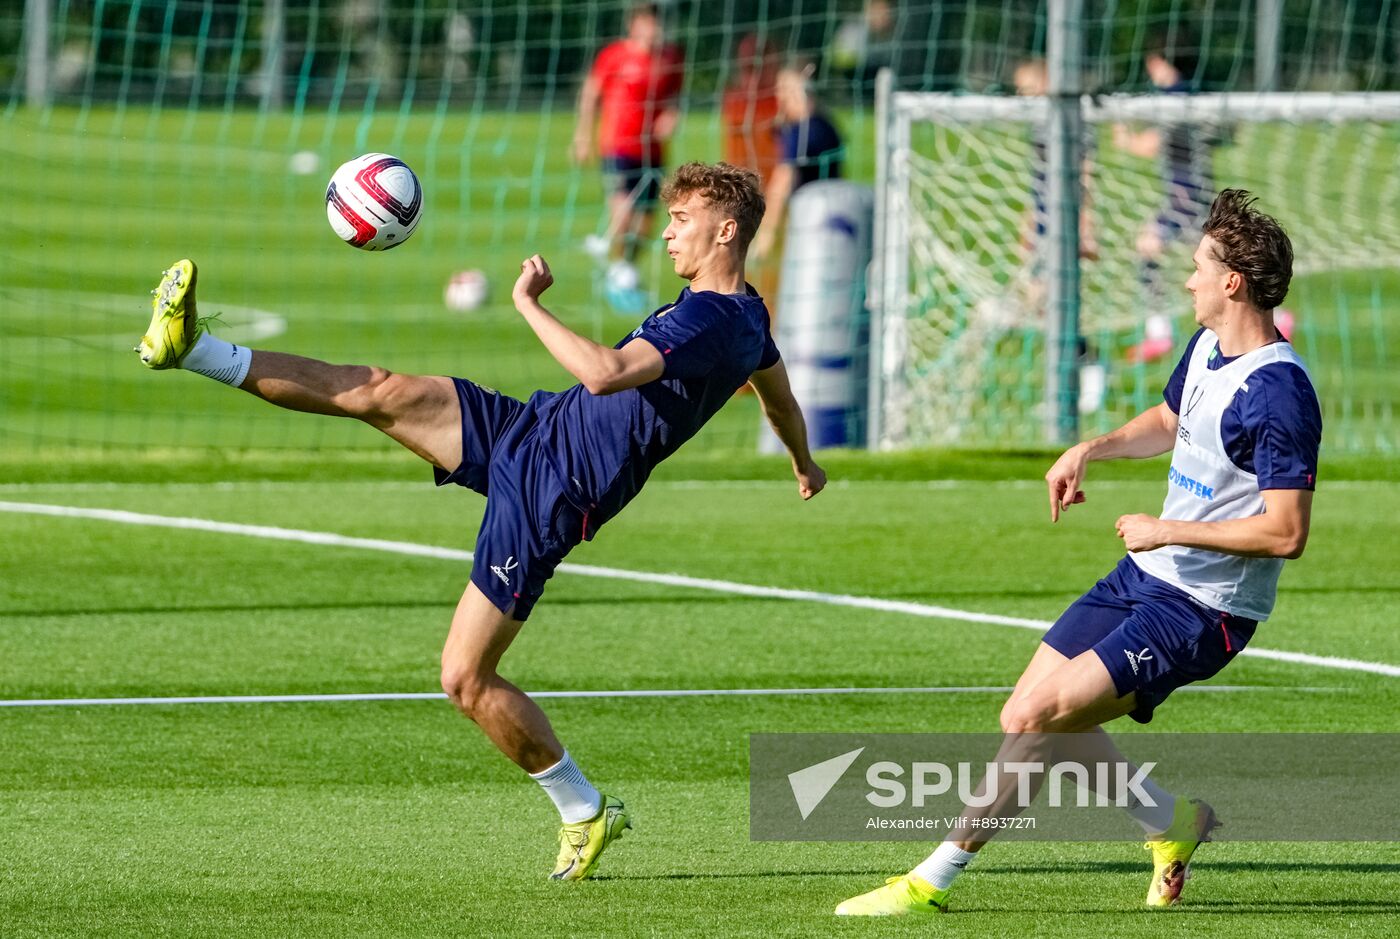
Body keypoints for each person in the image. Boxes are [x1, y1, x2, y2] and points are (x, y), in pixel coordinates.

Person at [134, 161, 827, 882]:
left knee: (464, 677)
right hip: (531, 428)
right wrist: (803, 460)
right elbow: (776, 396)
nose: (670, 234)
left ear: (725, 229)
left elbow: (605, 371)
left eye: (682, 221)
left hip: (553, 491)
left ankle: (583, 809)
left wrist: (529, 304)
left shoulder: (711, 318)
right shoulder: (745, 315)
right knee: (379, 390)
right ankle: (195, 349)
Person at [835, 189, 1320, 916]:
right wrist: (1091, 448)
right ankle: (1171, 821)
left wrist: (1169, 528)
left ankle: (927, 881)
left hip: (1205, 607)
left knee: (1037, 717)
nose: (1185, 279)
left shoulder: (1278, 392)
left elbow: (1286, 532)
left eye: (1197, 267)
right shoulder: (1207, 346)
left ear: (1232, 282)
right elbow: (1168, 417)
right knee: (1024, 716)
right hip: (1146, 576)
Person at [572, 3, 685, 313]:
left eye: (656, 23)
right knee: (623, 211)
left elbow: (675, 96)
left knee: (647, 220)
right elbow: (591, 93)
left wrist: (672, 115)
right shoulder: (615, 56)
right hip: (618, 145)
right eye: (647, 23)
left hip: (653, 150)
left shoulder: (671, 57)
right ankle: (617, 273)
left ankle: (624, 268)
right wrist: (582, 135)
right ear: (634, 24)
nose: (653, 29)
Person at [1113, 36, 1217, 363]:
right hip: (1192, 191)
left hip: (1186, 194)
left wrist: (1123, 134)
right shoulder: (1186, 93)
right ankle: (1276, 316)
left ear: (1157, 62)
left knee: (1151, 247)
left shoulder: (1175, 98)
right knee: (1210, 258)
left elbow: (1149, 145)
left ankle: (1158, 333)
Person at [750, 63, 844, 263]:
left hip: (808, 221)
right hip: (836, 217)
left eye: (780, 93)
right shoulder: (828, 126)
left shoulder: (800, 134)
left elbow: (783, 182)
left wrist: (767, 234)